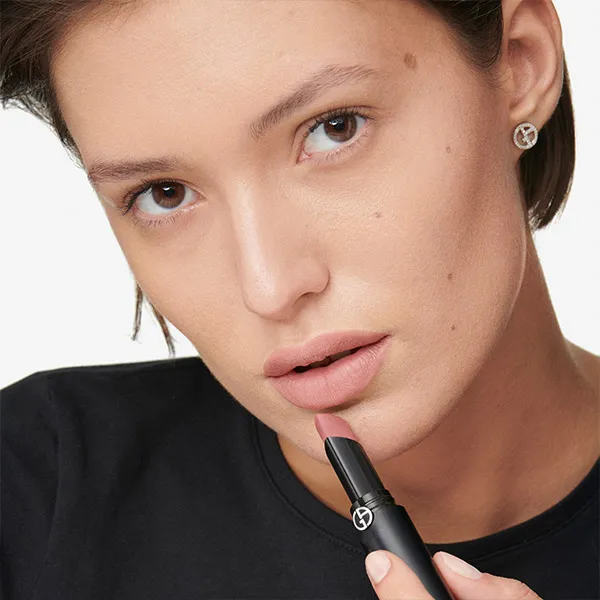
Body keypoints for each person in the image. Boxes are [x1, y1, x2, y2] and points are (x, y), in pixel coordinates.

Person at [1, 0, 598, 598]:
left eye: (334, 128)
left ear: (522, 64)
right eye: (164, 194)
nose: (269, 288)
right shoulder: (34, 489)